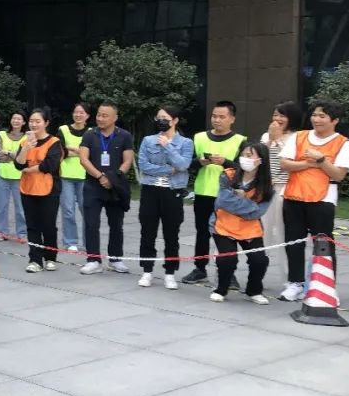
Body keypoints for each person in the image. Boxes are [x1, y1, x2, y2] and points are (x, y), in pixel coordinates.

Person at [278, 100, 349, 302]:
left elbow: (338, 174)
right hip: (293, 195)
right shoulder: (299, 136)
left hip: (323, 199)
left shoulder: (344, 143)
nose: (316, 119)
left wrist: (321, 160)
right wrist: (309, 163)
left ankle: (325, 286)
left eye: (322, 116)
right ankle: (295, 283)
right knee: (293, 242)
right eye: (314, 115)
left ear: (335, 120)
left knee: (323, 244)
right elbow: (284, 164)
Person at [183, 101, 246, 286]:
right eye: (214, 116)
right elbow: (187, 164)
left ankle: (228, 272)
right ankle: (200, 269)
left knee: (227, 235)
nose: (217, 120)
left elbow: (243, 168)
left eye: (222, 117)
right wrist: (200, 162)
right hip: (203, 192)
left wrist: (225, 162)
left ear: (232, 119)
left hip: (227, 195)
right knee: (202, 233)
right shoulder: (199, 137)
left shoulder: (240, 140)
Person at [137, 106, 194, 289]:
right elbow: (144, 166)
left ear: (174, 120)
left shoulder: (185, 143)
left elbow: (183, 165)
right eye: (158, 118)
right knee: (147, 232)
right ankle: (147, 271)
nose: (161, 121)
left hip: (172, 192)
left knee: (171, 234)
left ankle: (170, 273)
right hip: (150, 191)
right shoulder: (148, 140)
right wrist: (169, 170)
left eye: (165, 118)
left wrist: (167, 146)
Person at [210, 143, 273, 305]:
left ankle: (254, 291)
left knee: (259, 260)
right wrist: (248, 204)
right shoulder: (228, 175)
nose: (245, 158)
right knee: (228, 259)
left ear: (260, 160)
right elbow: (222, 201)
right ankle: (220, 290)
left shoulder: (267, 185)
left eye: (249, 155)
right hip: (223, 224)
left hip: (250, 227)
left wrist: (240, 199)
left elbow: (258, 212)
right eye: (243, 155)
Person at [78, 101, 134, 275]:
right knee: (91, 223)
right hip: (93, 185)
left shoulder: (124, 136)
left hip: (115, 186)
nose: (100, 118)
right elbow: (83, 159)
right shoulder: (89, 135)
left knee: (116, 224)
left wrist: (114, 178)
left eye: (105, 115)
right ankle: (93, 260)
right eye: (99, 115)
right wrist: (100, 177)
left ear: (115, 117)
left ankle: (115, 259)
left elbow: (127, 161)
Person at [14, 108, 64, 273]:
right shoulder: (25, 142)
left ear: (46, 123)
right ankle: (35, 259)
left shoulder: (54, 142)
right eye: (31, 121)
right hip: (28, 189)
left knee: (48, 225)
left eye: (38, 121)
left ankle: (50, 257)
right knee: (32, 225)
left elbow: (49, 165)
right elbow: (18, 164)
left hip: (49, 190)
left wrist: (29, 169)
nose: (34, 124)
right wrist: (26, 148)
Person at [260, 101, 301, 261]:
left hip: (286, 188)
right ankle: (259, 266)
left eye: (282, 115)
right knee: (262, 229)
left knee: (284, 230)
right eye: (275, 115)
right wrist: (271, 140)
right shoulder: (266, 136)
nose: (277, 119)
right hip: (267, 187)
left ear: (292, 118)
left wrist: (278, 140)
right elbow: (260, 157)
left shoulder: (298, 137)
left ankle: (288, 272)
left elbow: (291, 161)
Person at [58, 102, 90, 252]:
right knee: (68, 210)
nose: (78, 115)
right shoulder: (63, 129)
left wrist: (73, 150)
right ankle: (70, 241)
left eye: (81, 112)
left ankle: (89, 242)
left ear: (87, 116)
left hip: (85, 176)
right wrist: (80, 152)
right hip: (66, 176)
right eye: (76, 112)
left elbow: (92, 154)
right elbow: (60, 152)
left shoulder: (91, 132)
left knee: (87, 210)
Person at [0, 111, 27, 241]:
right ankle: (1, 232)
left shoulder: (27, 137)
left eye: (19, 119)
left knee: (20, 207)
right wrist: (15, 156)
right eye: (14, 118)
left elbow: (25, 156)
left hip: (20, 176)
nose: (16, 121)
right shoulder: (2, 134)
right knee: (1, 206)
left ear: (24, 122)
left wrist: (7, 152)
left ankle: (22, 233)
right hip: (2, 175)